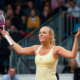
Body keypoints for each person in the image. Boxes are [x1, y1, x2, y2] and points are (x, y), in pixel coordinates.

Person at [0, 26, 80, 80]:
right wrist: (8, 37)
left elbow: (73, 54)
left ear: (50, 35)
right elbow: (20, 50)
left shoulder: (56, 49)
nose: (41, 34)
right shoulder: (36, 48)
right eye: (40, 33)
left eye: (44, 33)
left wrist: (76, 38)